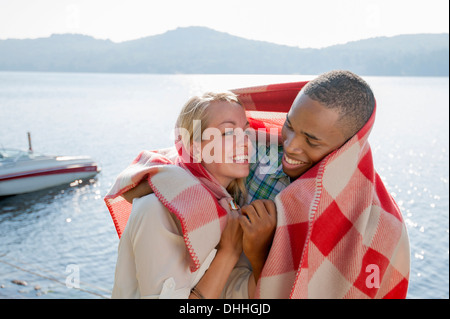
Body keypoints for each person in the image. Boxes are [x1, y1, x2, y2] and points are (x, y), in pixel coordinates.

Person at [117, 70, 410, 298]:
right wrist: (158, 185)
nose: (291, 147)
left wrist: (257, 252)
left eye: (312, 140)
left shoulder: (363, 221)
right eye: (290, 126)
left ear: (344, 149)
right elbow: (185, 155)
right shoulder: (256, 158)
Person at [106, 91, 273, 299]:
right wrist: (228, 253)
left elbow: (236, 295)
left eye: (246, 132)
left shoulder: (228, 209)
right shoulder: (157, 210)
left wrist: (259, 251)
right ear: (195, 148)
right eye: (228, 133)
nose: (246, 144)